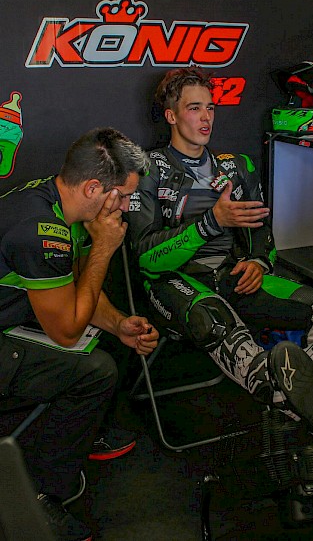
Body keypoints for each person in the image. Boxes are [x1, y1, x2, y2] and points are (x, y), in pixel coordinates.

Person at [125, 66, 313, 437]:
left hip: (233, 276)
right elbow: (146, 259)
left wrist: (258, 262)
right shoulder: (147, 169)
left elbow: (261, 231)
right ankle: (292, 396)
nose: (206, 118)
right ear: (171, 116)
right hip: (174, 283)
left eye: (210, 108)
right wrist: (211, 222)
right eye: (194, 108)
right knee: (213, 319)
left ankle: (298, 395)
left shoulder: (236, 166)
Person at [0, 127, 159, 541]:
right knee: (96, 370)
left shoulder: (59, 203)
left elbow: (76, 284)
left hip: (11, 316)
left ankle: (83, 435)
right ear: (93, 188)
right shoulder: (41, 230)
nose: (125, 207)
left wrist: (118, 324)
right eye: (122, 196)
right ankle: (40, 494)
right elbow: (69, 331)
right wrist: (103, 247)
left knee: (109, 340)